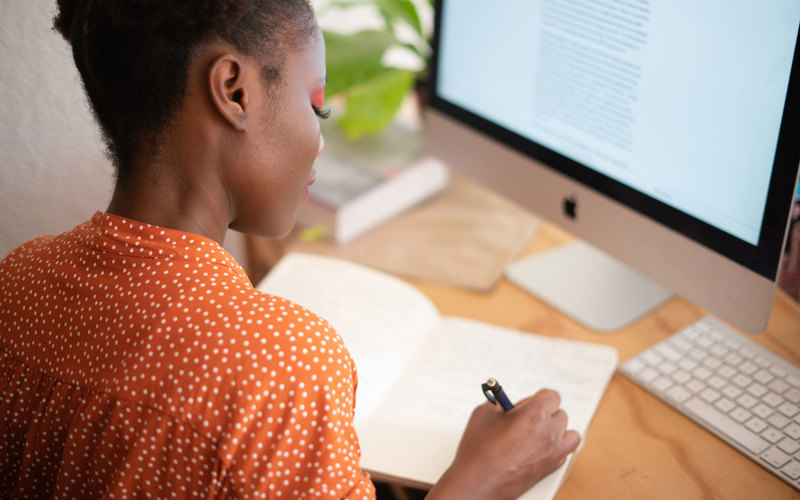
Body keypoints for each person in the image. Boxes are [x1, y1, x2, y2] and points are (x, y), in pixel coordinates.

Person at [0, 1, 580, 498]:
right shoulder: (281, 369)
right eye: (316, 104)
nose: (320, 139)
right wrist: (480, 479)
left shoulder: (17, 281)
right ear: (234, 91)